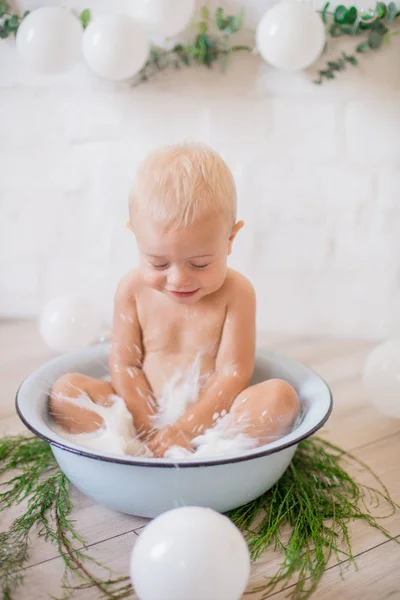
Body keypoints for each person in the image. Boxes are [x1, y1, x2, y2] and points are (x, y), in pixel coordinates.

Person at [50, 143, 299, 458]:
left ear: (230, 240)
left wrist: (188, 428)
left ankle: (212, 454)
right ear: (136, 237)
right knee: (65, 391)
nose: (178, 279)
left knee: (280, 397)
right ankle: (124, 450)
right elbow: (124, 364)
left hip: (213, 421)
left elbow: (234, 372)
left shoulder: (237, 294)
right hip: (134, 413)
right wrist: (143, 424)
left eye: (199, 264)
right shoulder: (132, 289)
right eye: (158, 263)